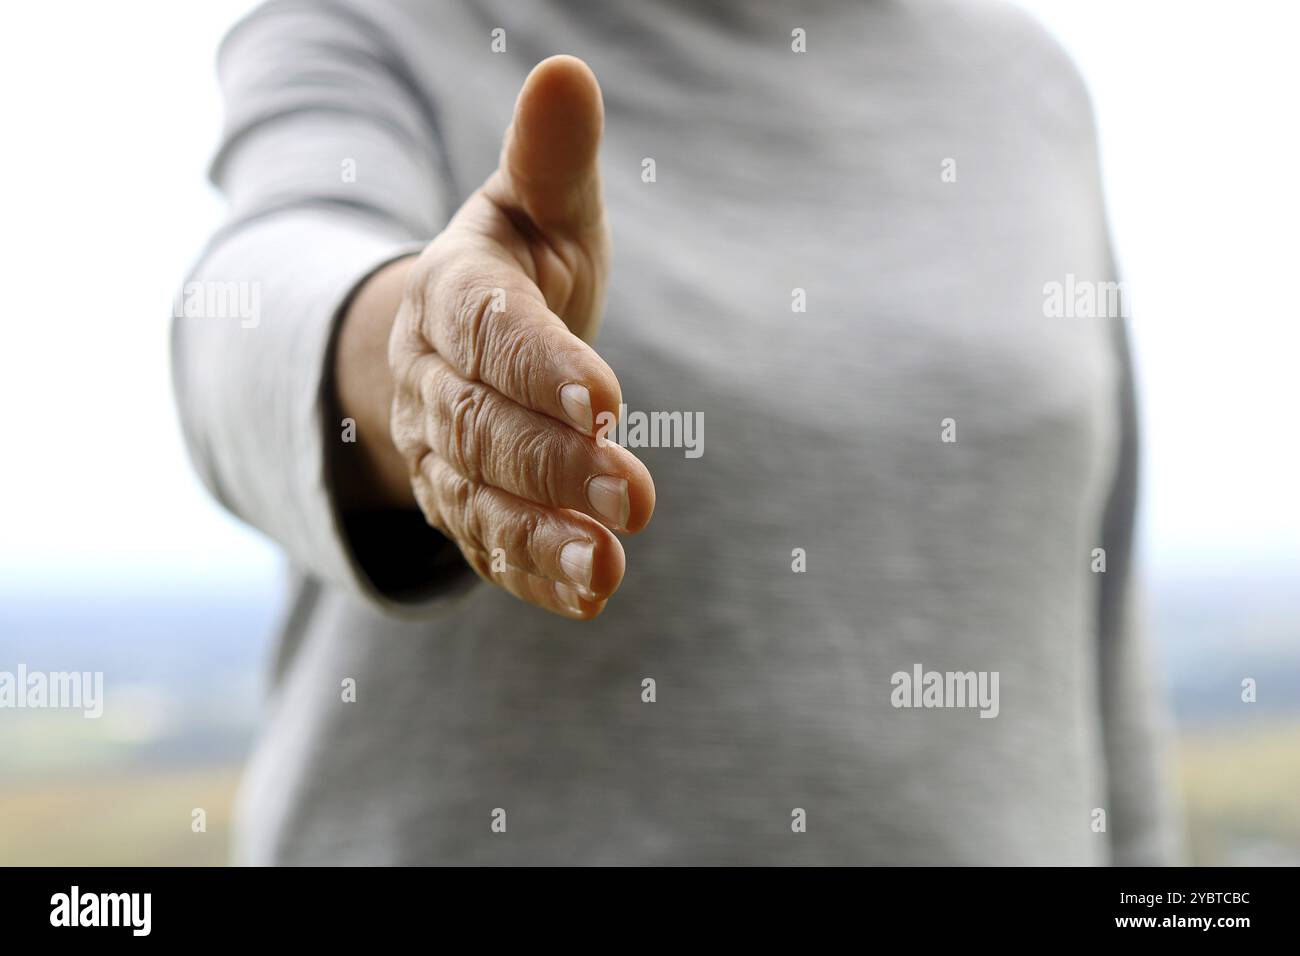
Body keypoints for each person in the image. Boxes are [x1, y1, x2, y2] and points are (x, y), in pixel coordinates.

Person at [172, 0, 1182, 864]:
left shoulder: (1027, 83)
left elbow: (1097, 643)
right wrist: (424, 356)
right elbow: (252, 299)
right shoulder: (382, 22)